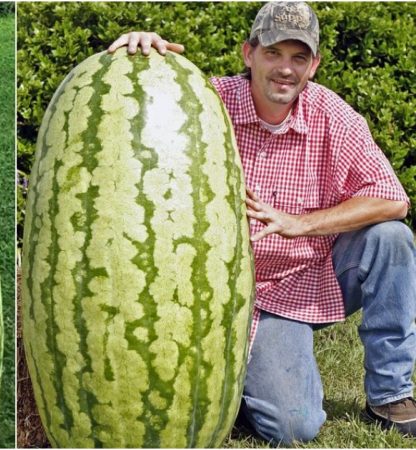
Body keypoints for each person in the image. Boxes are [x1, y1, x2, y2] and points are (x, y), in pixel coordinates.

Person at [109, 1, 416, 445]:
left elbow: (393, 199)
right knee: (294, 428)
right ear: (247, 54)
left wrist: (300, 223)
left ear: (314, 65)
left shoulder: (333, 116)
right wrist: (143, 54)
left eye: (298, 57)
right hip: (227, 294)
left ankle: (390, 394)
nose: (285, 70)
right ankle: (253, 376)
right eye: (273, 53)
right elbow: (139, 112)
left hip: (307, 277)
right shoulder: (205, 104)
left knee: (391, 239)